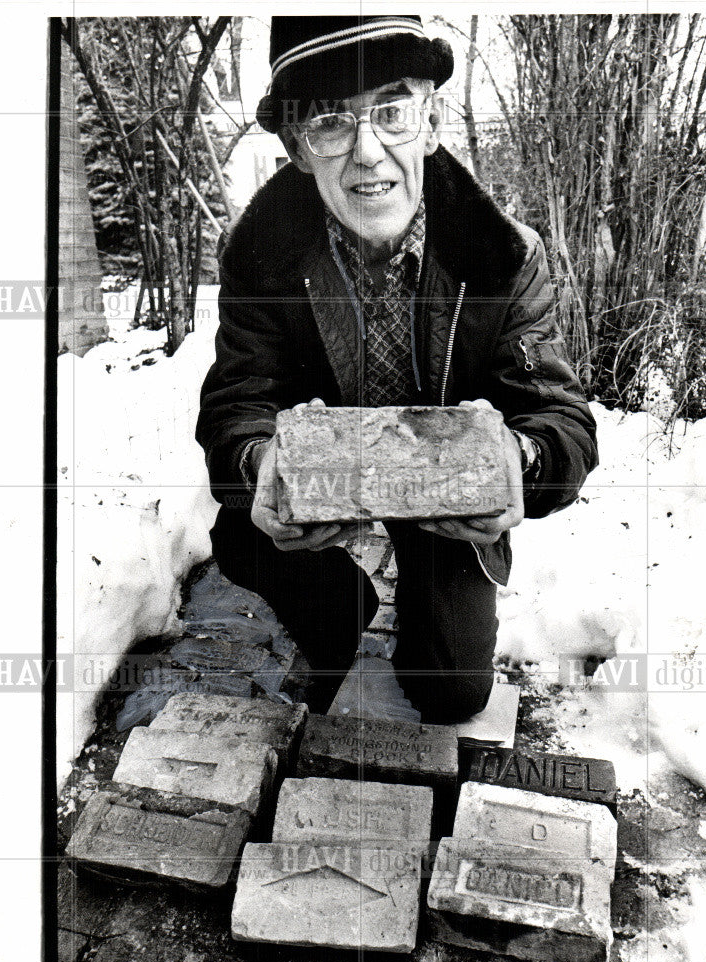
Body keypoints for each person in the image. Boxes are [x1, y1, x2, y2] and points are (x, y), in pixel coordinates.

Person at [196, 15, 598, 721]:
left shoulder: (503, 257)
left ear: (432, 121)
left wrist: (520, 462)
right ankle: (332, 592)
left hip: (442, 503)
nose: (368, 152)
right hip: (319, 491)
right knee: (303, 604)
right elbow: (235, 407)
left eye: (392, 111)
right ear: (296, 147)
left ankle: (423, 591)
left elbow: (563, 422)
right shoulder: (260, 257)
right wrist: (262, 466)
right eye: (329, 122)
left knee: (452, 692)